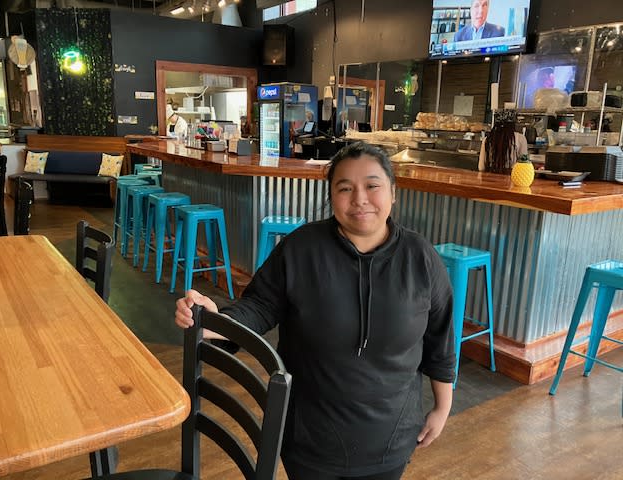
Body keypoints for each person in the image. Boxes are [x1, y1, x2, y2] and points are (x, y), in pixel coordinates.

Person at [175, 141, 455, 480]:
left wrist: (442, 407)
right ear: (330, 197)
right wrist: (214, 320)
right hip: (309, 439)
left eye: (372, 186)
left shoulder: (420, 258)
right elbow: (260, 306)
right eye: (344, 188)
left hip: (390, 440)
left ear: (393, 193)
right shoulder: (301, 248)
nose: (360, 199)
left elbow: (440, 339)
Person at [478, 109, 528, 173]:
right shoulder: (520, 138)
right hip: (512, 177)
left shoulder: (487, 139)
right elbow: (524, 165)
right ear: (513, 124)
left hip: (490, 177)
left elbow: (481, 167)